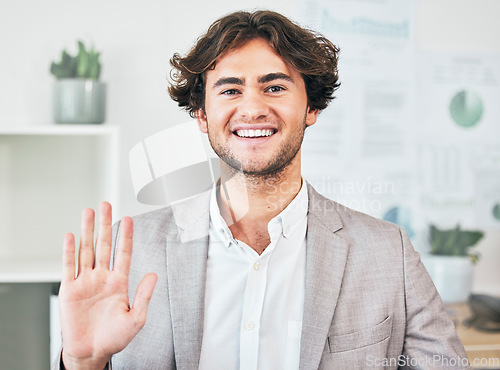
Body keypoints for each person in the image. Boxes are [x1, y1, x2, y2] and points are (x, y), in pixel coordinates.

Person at [54, 10, 470, 370]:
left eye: (275, 87)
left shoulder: (387, 252)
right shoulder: (129, 254)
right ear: (201, 114)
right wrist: (82, 364)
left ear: (312, 107)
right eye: (230, 89)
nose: (252, 108)